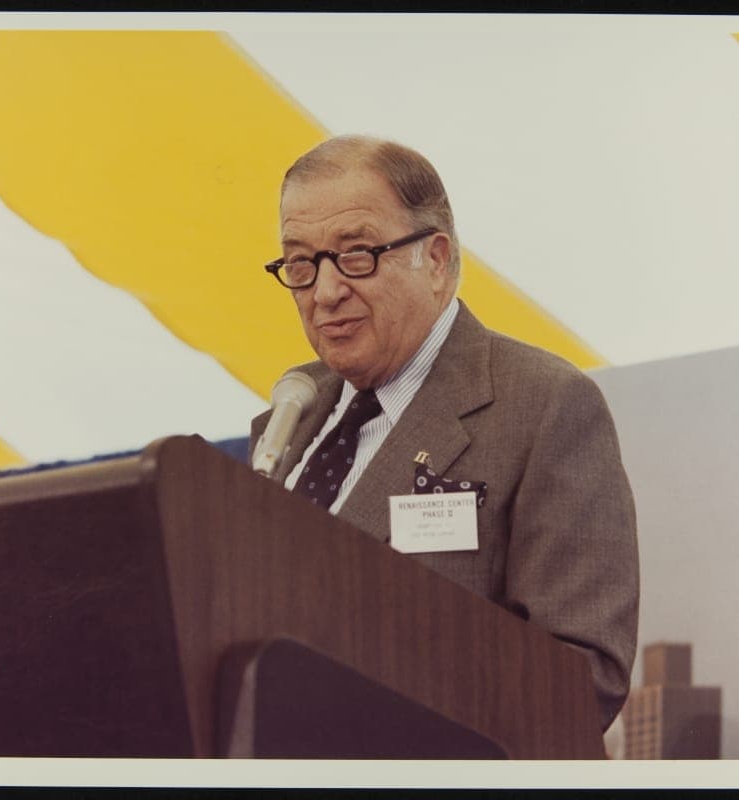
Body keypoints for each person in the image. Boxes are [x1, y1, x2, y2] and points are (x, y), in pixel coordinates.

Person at [249, 135, 638, 730]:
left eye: (357, 254)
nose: (325, 293)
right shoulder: (289, 412)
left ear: (435, 260)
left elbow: (582, 680)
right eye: (301, 264)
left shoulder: (544, 405)